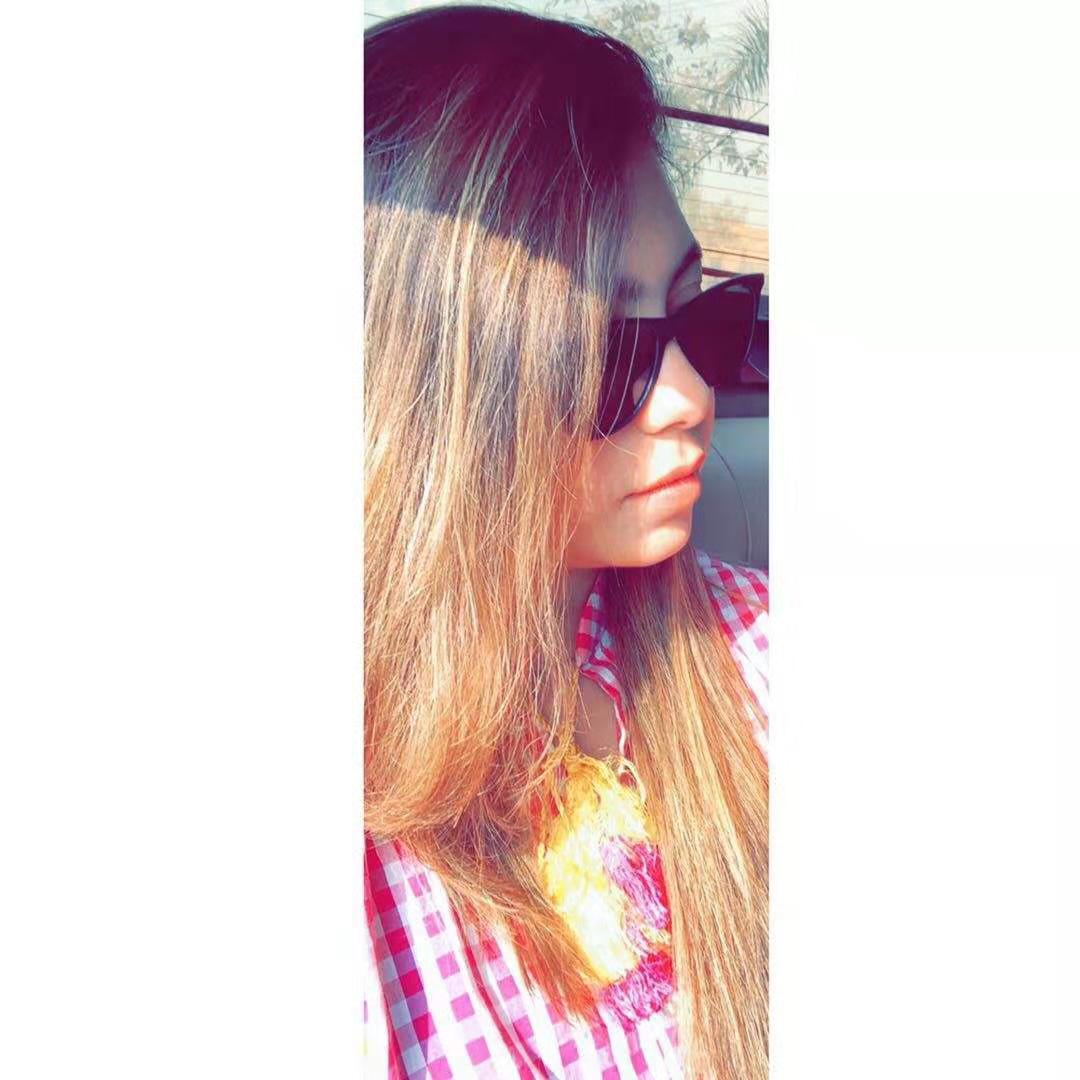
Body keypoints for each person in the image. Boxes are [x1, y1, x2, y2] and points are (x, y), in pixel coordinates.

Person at [363, 6, 769, 1077]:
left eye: (702, 320)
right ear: (424, 399)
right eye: (601, 354)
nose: (689, 398)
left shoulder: (759, 645)